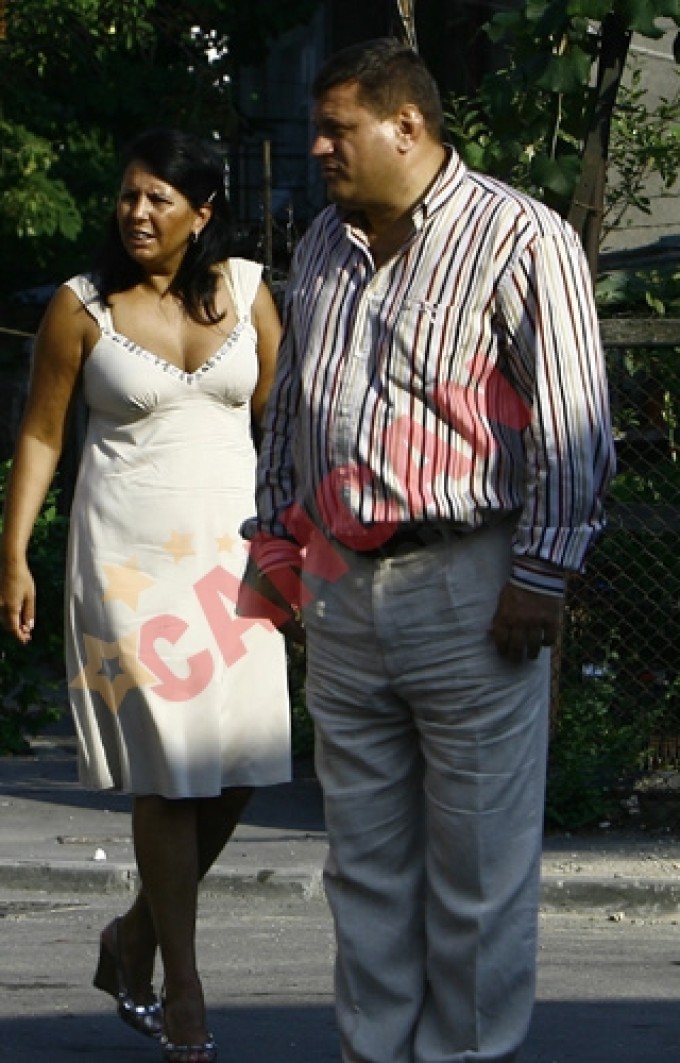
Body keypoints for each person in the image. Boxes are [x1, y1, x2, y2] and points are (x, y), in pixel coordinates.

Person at [243, 38, 615, 1063]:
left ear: (406, 126)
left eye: (337, 129)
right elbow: (292, 414)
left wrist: (539, 575)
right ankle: (373, 1051)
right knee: (362, 863)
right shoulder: (325, 241)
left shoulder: (518, 236)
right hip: (339, 585)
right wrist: (275, 548)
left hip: (472, 582)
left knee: (478, 866)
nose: (318, 147)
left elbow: (573, 421)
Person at [0, 128, 291, 1063]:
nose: (136, 211)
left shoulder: (248, 290)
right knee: (166, 772)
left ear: (201, 213)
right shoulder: (81, 306)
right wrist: (14, 554)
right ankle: (185, 989)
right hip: (128, 566)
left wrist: (301, 548)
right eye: (129, 194)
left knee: (241, 765)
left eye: (159, 198)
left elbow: (283, 427)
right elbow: (42, 434)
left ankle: (133, 934)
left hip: (237, 561)